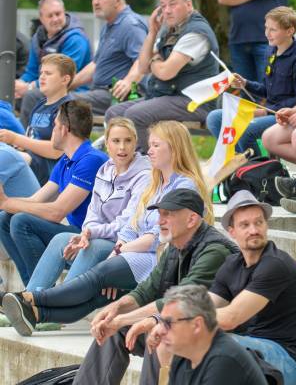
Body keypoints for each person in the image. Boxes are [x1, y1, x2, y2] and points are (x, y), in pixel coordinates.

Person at [2, 121, 212, 335]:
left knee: (98, 276)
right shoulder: (154, 183)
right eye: (150, 145)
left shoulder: (184, 186)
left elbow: (160, 238)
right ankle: (36, 314)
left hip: (155, 258)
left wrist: (119, 251)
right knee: (99, 293)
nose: (149, 151)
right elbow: (130, 226)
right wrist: (108, 248)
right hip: (131, 250)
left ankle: (30, 298)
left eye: (156, 145)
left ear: (174, 147)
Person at [67, 187, 238, 385]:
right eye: (160, 214)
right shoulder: (176, 245)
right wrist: (115, 308)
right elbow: (146, 289)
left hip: (217, 334)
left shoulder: (215, 251)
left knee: (157, 333)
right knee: (114, 329)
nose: (159, 221)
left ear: (191, 219)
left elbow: (180, 302)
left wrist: (122, 319)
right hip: (181, 324)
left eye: (168, 215)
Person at [200, 189, 296, 385]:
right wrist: (165, 322)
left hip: (288, 360)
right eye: (245, 225)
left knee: (216, 345)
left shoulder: (275, 264)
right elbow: (206, 305)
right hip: (254, 348)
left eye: (258, 222)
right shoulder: (231, 265)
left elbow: (230, 318)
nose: (254, 230)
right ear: (232, 231)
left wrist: (183, 320)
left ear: (266, 225)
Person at [21, 118, 151, 293]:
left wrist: (91, 233)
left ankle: (58, 302)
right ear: (107, 144)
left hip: (127, 245)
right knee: (61, 239)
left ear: (135, 142)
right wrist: (85, 234)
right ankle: (31, 297)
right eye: (116, 141)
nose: (122, 147)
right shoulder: (105, 170)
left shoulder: (144, 176)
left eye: (128, 141)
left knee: (92, 248)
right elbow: (92, 213)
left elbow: (127, 224)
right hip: (99, 237)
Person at [0, 100, 107, 287]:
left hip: (92, 237)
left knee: (21, 221)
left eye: (55, 125)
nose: (52, 131)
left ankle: (39, 292)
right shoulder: (66, 159)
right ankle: (30, 289)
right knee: (5, 219)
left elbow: (56, 212)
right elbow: (36, 200)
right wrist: (6, 204)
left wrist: (6, 202)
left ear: (64, 129)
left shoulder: (91, 159)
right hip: (76, 233)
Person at [105, 0, 220, 152]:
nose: (167, 11)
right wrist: (152, 32)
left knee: (135, 115)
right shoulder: (169, 29)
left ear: (188, 5)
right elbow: (143, 67)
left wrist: (154, 61)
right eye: (163, 6)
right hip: (169, 96)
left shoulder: (196, 33)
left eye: (172, 4)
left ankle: (147, 163)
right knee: (114, 114)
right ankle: (122, 161)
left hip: (194, 102)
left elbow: (166, 72)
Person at [206, 6, 296, 154]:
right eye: (266, 28)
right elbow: (266, 90)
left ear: (290, 31)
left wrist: (265, 112)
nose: (267, 34)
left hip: (283, 115)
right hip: (267, 111)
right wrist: (245, 84)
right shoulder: (270, 50)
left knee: (246, 130)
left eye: (273, 30)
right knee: (214, 118)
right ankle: (240, 162)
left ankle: (258, 166)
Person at [154, 285, 268, 385]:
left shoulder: (223, 360)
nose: (161, 330)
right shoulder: (182, 356)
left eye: (168, 323)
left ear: (197, 325)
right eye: (162, 322)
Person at [69, 0, 148, 115]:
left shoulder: (131, 25)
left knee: (63, 102)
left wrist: (128, 82)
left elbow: (142, 59)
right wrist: (66, 84)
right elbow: (95, 65)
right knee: (55, 96)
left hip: (121, 96)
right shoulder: (108, 26)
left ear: (117, 0)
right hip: (100, 94)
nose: (95, 2)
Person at [15, 0, 91, 126]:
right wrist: (19, 85)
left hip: (73, 91)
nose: (55, 19)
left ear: (64, 12)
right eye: (50, 16)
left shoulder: (76, 39)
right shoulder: (38, 38)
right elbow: (31, 72)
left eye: (58, 14)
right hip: (46, 86)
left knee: (31, 96)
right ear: (41, 18)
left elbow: (64, 76)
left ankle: (26, 137)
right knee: (9, 93)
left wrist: (29, 87)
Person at [1, 53, 75, 184]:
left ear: (65, 79)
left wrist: (16, 138)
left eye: (48, 73)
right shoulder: (40, 105)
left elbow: (55, 151)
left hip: (50, 173)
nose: (42, 77)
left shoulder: (68, 107)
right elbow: (31, 138)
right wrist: (16, 144)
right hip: (31, 163)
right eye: (41, 73)